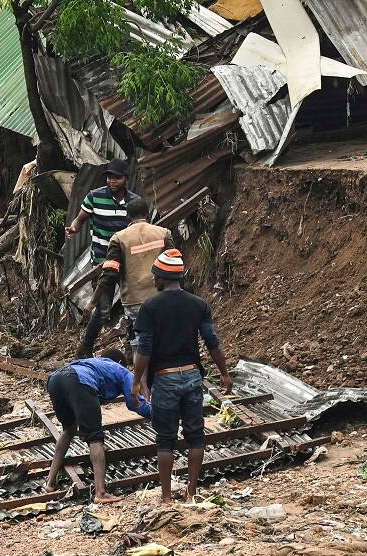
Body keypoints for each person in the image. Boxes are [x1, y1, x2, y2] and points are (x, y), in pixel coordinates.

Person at [132, 249, 232, 504]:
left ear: (161, 278)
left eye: (155, 276)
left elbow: (144, 349)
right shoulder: (198, 304)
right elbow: (212, 342)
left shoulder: (150, 306)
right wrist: (224, 373)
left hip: (165, 378)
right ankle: (192, 492)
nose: (153, 281)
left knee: (165, 440)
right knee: (195, 436)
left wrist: (136, 381)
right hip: (192, 377)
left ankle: (166, 497)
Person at [44, 349, 152, 504]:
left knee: (69, 429)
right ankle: (100, 493)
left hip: (55, 380)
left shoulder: (93, 362)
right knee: (95, 438)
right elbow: (135, 403)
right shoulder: (120, 369)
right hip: (78, 381)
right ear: (120, 362)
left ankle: (49, 483)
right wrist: (158, 413)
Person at [66, 159, 142, 358]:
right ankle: (85, 349)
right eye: (109, 177)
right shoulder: (95, 197)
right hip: (101, 262)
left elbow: (140, 229)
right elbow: (80, 219)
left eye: (117, 177)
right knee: (103, 310)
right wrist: (74, 228)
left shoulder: (134, 202)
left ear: (126, 179)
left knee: (132, 306)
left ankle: (131, 349)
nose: (112, 181)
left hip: (127, 263)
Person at [94, 198, 173, 360]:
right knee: (166, 340)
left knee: (139, 346)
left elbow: (109, 273)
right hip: (163, 298)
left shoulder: (118, 238)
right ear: (148, 215)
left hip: (134, 301)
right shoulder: (164, 233)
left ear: (127, 217)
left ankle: (141, 383)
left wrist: (92, 302)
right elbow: (174, 265)